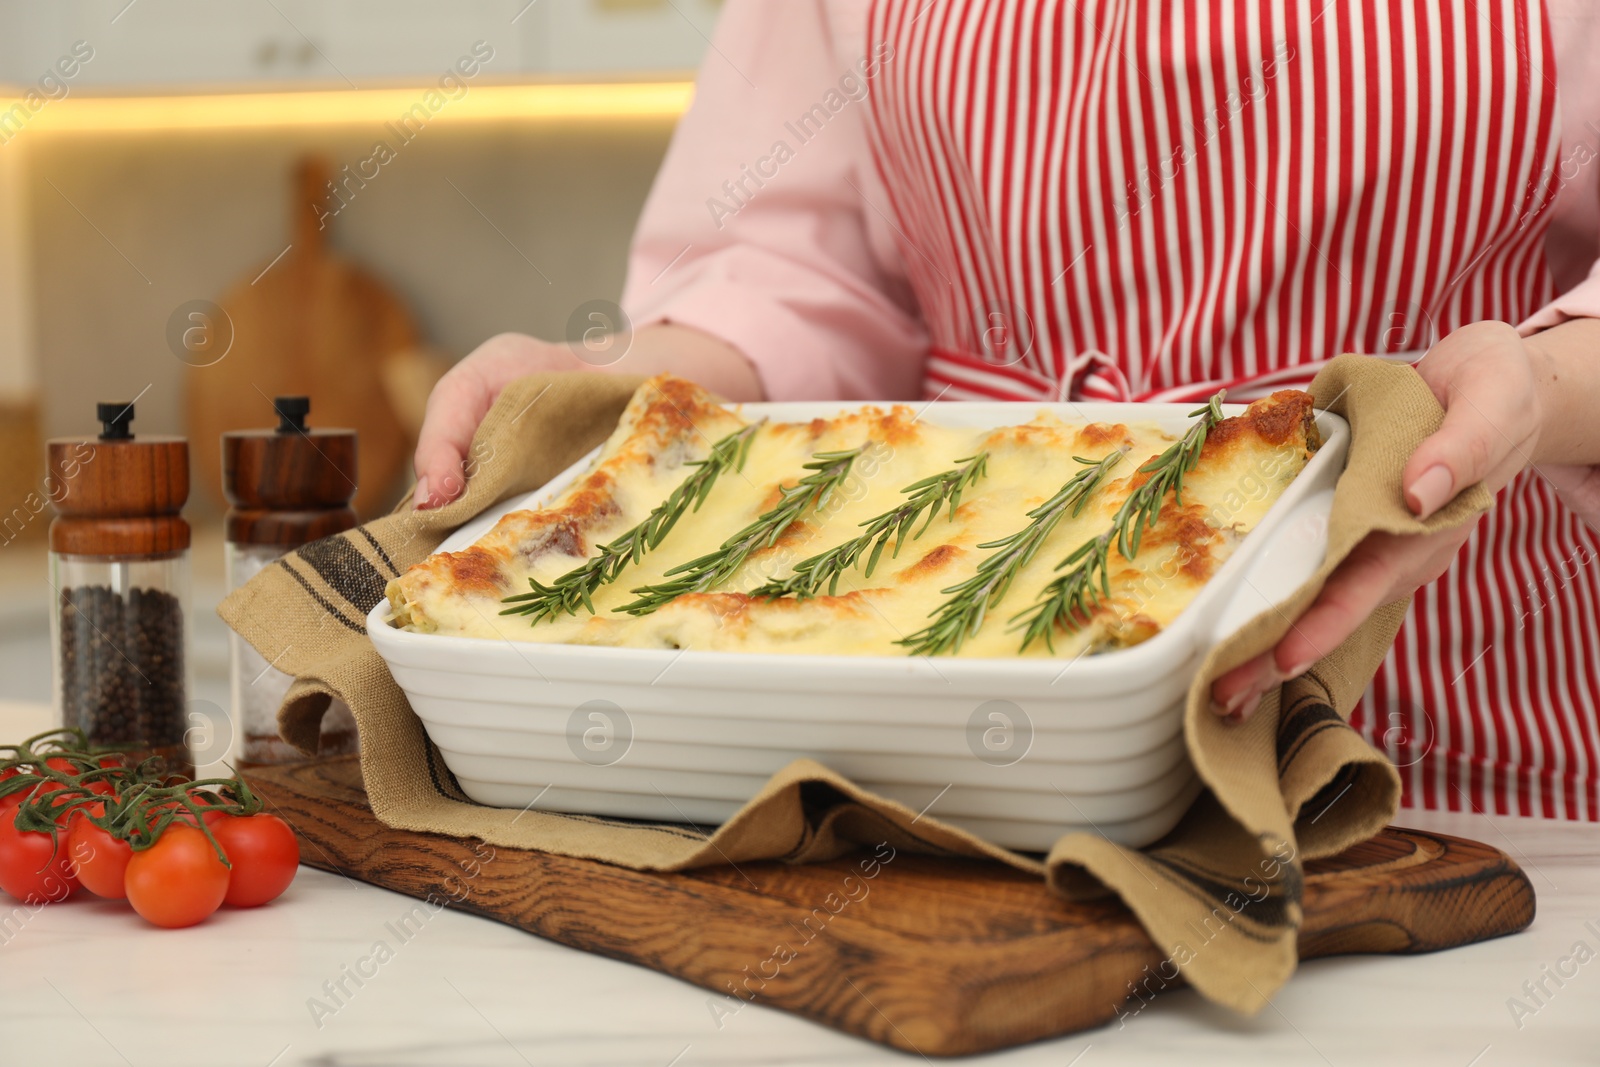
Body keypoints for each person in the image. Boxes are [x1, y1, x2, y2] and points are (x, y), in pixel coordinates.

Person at [412, 1, 1600, 821]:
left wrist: (1540, 386)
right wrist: (616, 387)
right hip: (948, 727)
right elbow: (796, 269)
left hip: (1454, 731)